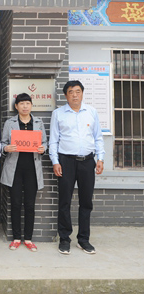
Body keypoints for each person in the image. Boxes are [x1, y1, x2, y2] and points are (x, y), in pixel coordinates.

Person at [49, 80, 104, 255]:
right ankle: (64, 239)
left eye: (78, 91)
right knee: (64, 201)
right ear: (66, 95)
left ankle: (83, 239)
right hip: (66, 161)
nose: (74, 95)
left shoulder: (91, 112)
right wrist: (55, 161)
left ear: (82, 93)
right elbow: (53, 140)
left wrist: (100, 158)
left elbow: (98, 137)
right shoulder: (58, 114)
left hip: (87, 161)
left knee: (86, 202)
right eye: (71, 92)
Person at [0, 93, 47, 252]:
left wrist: (43, 149)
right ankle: (16, 238)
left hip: (32, 169)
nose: (25, 106)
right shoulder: (10, 123)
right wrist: (6, 148)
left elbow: (45, 142)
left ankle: (28, 238)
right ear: (16, 106)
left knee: (29, 204)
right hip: (14, 168)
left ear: (31, 105)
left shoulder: (38, 122)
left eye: (28, 103)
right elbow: (3, 143)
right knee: (15, 203)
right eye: (22, 103)